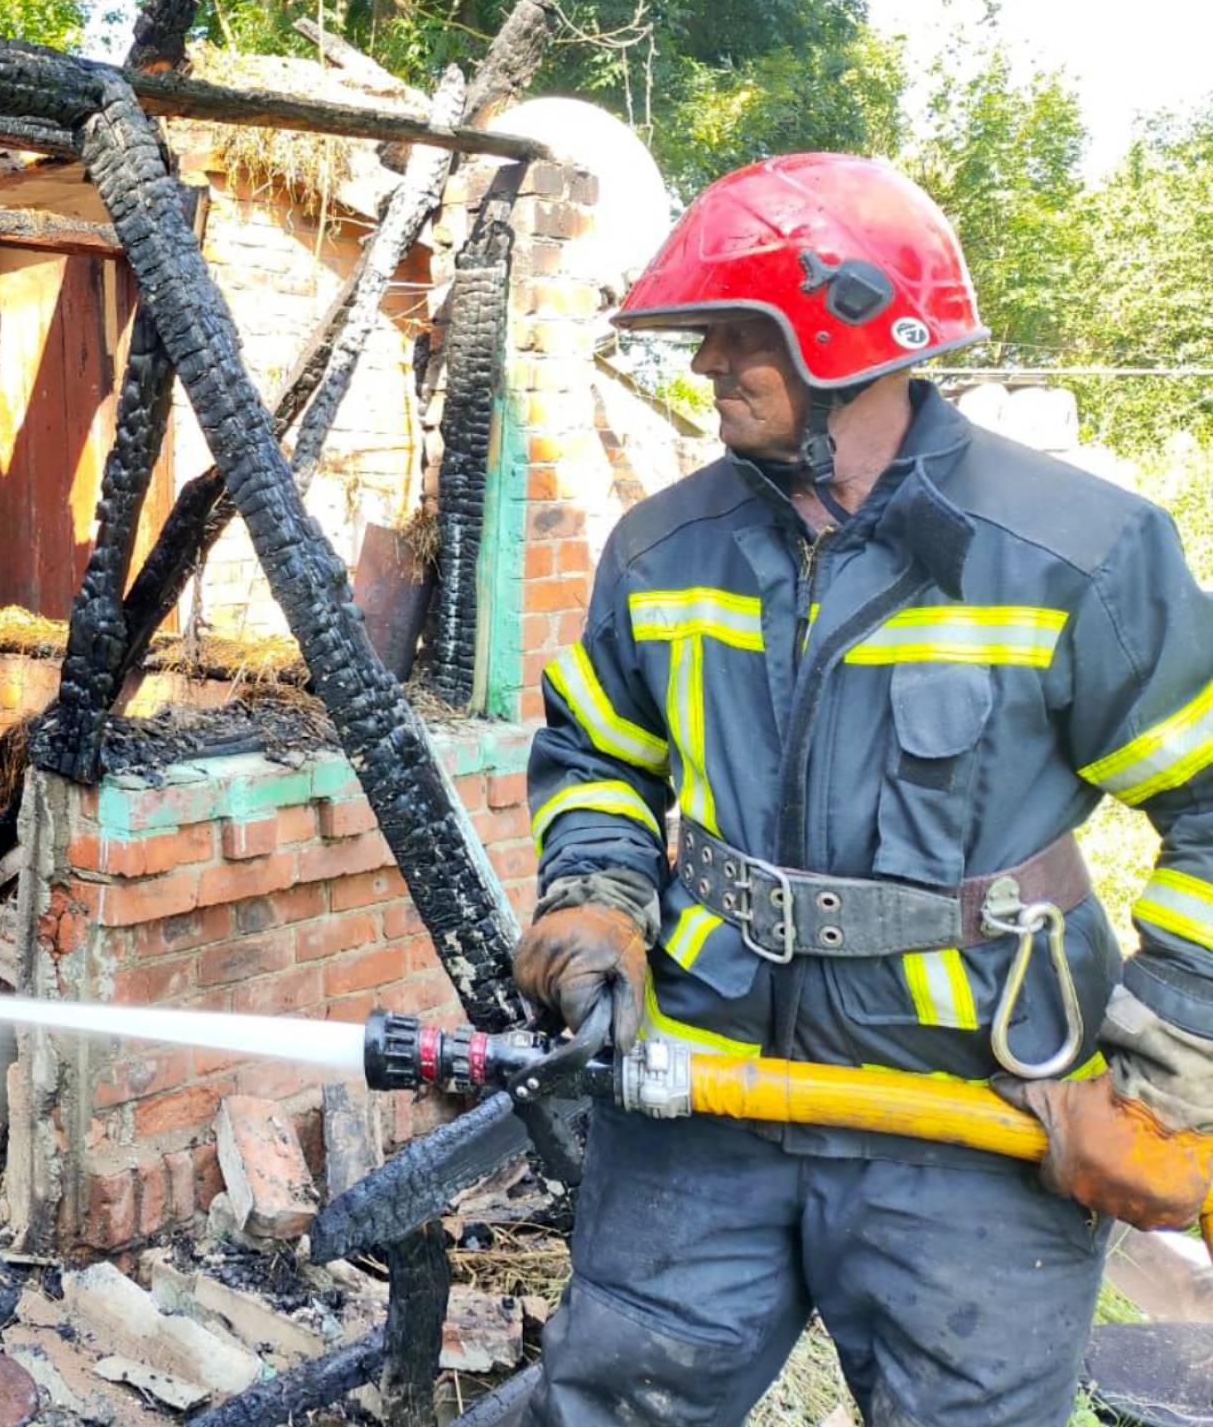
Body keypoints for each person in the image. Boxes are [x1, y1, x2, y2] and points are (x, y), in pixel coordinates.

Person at [516, 153, 1213, 1427]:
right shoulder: (663, 550)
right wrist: (598, 894)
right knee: (613, 1405)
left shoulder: (1074, 555)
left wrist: (1164, 1070)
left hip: (978, 1117)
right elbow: (601, 751)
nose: (706, 362)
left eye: (740, 332)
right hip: (705, 1092)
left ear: (844, 329)